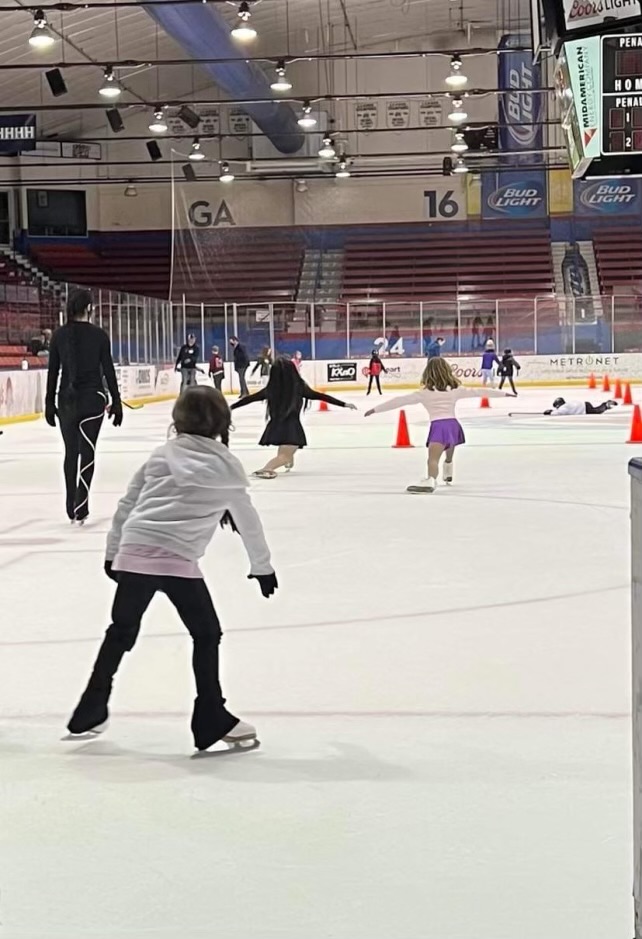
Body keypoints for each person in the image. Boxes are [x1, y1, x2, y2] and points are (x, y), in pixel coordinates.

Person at [66, 386, 276, 753]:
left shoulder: (161, 455)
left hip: (134, 551)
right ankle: (211, 714)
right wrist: (262, 566)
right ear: (221, 422)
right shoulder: (226, 467)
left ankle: (91, 706)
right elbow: (248, 521)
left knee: (121, 631)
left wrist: (113, 552)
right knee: (206, 634)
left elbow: (127, 504)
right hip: (177, 560)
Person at [364, 358, 513, 493]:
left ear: (427, 373)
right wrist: (505, 394)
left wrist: (375, 410)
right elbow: (479, 391)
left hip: (438, 426)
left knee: (432, 459)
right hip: (453, 425)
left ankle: (430, 480)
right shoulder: (455, 390)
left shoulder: (424, 393)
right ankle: (448, 469)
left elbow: (399, 400)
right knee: (449, 448)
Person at [45, 288, 122, 523]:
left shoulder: (59, 335)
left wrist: (49, 402)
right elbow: (108, 371)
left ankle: (71, 503)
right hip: (92, 401)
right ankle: (82, 503)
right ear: (90, 309)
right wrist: (117, 402)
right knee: (87, 452)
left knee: (71, 453)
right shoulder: (99, 336)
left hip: (66, 401)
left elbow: (53, 372)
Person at [231, 357, 357, 478]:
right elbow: (320, 396)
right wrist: (344, 404)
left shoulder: (271, 389)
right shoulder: (298, 388)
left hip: (276, 427)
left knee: (285, 454)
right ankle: (267, 469)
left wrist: (230, 407)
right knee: (285, 455)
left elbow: (249, 399)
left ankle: (286, 462)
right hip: (291, 428)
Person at [544, 397, 618, 416]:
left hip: (584, 408)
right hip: (584, 404)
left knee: (597, 411)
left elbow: (557, 413)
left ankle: (606, 405)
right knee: (595, 410)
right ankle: (605, 405)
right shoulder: (567, 404)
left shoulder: (563, 408)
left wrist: (549, 412)